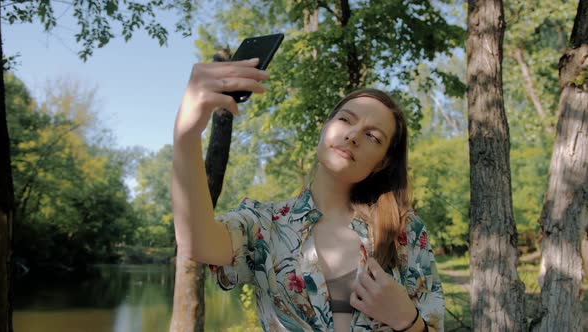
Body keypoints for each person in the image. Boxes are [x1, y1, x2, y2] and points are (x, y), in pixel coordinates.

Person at [170, 58, 444, 332]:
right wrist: (186, 135)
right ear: (325, 128)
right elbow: (197, 242)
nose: (353, 135)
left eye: (373, 136)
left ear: (383, 162)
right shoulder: (266, 225)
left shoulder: (404, 232)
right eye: (346, 119)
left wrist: (408, 321)